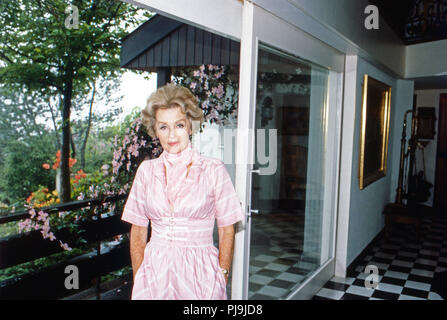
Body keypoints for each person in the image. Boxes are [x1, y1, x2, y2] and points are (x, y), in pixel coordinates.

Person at [121, 84, 244, 300]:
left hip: (200, 277)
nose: (172, 136)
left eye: (178, 125)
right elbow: (138, 231)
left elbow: (227, 230)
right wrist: (140, 276)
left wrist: (221, 276)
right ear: (155, 130)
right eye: (163, 127)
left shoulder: (213, 169)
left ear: (190, 126)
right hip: (154, 278)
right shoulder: (146, 172)